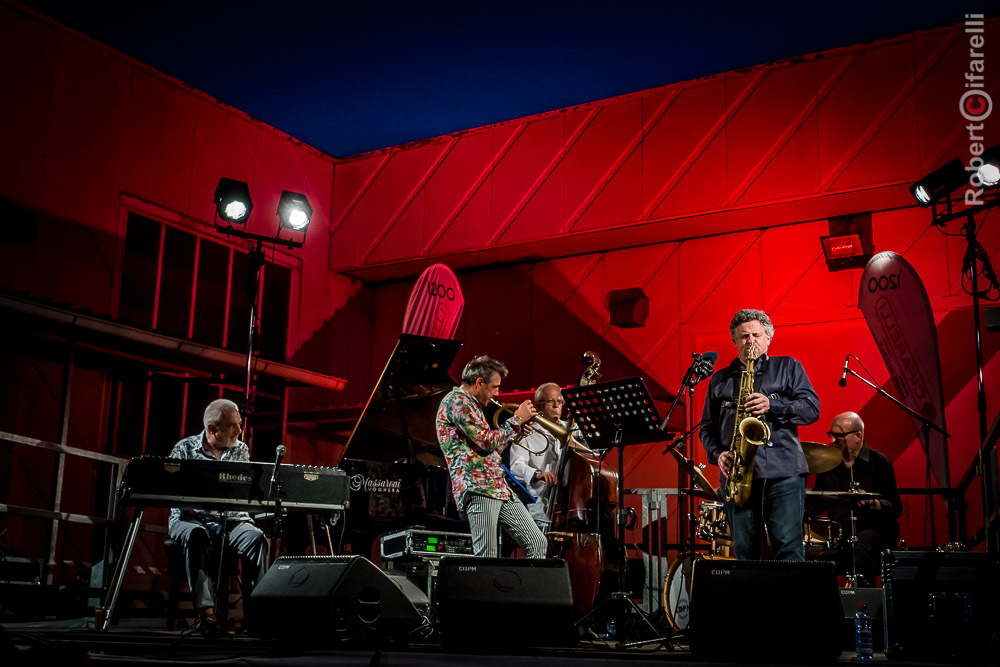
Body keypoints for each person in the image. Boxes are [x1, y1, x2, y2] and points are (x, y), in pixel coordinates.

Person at [699, 308, 820, 561]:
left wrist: (772, 405)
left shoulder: (788, 366)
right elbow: (707, 429)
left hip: (784, 472)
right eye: (743, 336)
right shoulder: (719, 379)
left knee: (788, 549)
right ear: (734, 341)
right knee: (746, 554)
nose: (750, 341)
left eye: (756, 335)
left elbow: (811, 409)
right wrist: (718, 454)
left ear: (768, 339)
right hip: (739, 473)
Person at [168, 398, 268, 637]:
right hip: (190, 518)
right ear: (212, 428)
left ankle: (256, 617)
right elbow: (171, 490)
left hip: (233, 520)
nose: (239, 431)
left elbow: (241, 490)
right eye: (233, 426)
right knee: (197, 535)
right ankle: (206, 614)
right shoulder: (184, 449)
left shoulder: (240, 449)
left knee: (257, 538)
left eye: (239, 424)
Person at [436, 356, 548, 558]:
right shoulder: (457, 401)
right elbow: (486, 440)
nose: (497, 393)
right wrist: (517, 419)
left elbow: (491, 451)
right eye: (494, 387)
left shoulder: (474, 406)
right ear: (479, 382)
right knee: (487, 555)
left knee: (537, 542)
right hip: (479, 488)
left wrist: (516, 432)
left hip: (497, 487)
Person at [808, 412, 901, 584]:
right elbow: (818, 503)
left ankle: (865, 603)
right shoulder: (828, 464)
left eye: (839, 436)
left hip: (875, 532)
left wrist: (873, 503)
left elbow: (895, 507)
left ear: (858, 436)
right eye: (831, 435)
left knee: (860, 546)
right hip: (838, 532)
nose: (833, 441)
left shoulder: (879, 463)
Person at [507, 382, 583, 531]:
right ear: (539, 406)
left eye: (560, 402)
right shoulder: (527, 432)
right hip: (542, 510)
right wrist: (538, 474)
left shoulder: (572, 430)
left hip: (572, 509)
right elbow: (516, 466)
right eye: (551, 401)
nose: (557, 406)